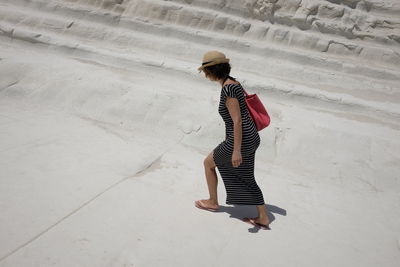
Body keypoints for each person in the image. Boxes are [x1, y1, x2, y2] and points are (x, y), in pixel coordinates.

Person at [194, 51, 270, 230]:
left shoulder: (228, 88)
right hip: (250, 137)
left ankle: (213, 202)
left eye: (206, 70)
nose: (205, 74)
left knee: (208, 163)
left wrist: (236, 151)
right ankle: (263, 217)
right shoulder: (234, 82)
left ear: (212, 71)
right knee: (247, 176)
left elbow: (237, 120)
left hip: (241, 140)